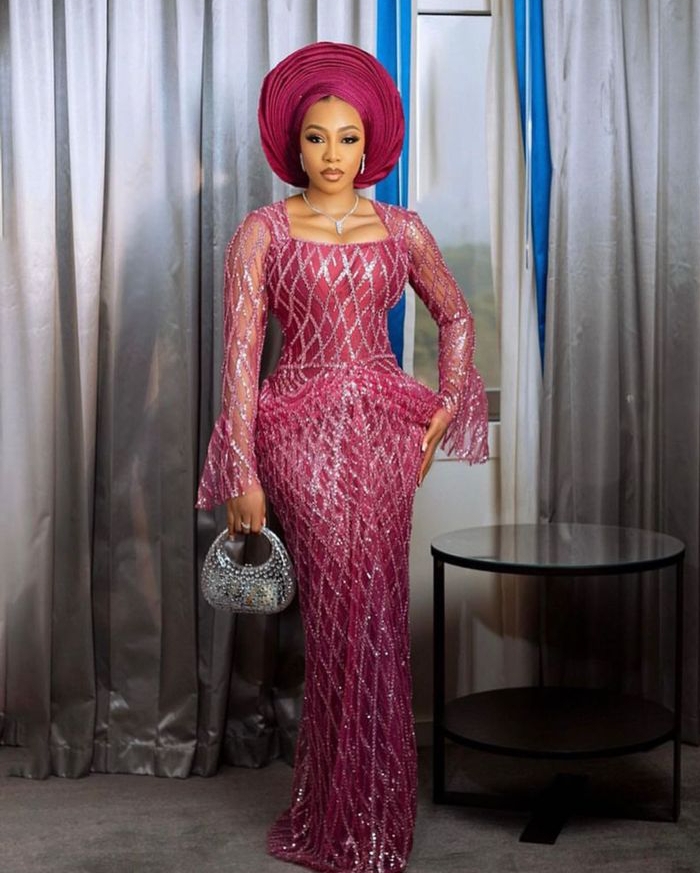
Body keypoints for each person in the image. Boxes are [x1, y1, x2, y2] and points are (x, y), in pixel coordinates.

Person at [197, 41, 488, 873]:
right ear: (295, 145)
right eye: (317, 138)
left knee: (378, 609)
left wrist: (444, 404)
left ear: (371, 145)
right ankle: (337, 812)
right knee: (337, 614)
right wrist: (242, 469)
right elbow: (241, 359)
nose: (332, 154)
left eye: (348, 138)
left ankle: (375, 816)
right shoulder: (262, 233)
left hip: (387, 430)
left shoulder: (401, 229)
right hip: (299, 430)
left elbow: (457, 315)